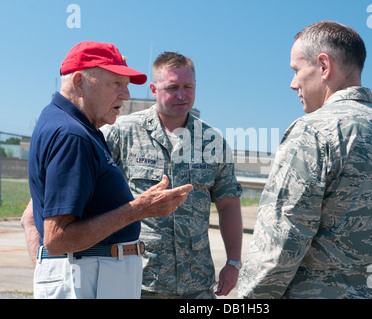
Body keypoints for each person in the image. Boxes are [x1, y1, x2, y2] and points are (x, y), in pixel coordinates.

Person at [238, 21, 372, 299]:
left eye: (296, 70)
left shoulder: (313, 131)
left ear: (324, 66)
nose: (292, 84)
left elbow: (278, 248)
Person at [21, 41, 193, 299]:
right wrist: (140, 210)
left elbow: (30, 218)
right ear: (79, 81)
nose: (126, 96)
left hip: (88, 276)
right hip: (91, 280)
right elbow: (57, 239)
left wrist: (49, 271)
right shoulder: (72, 135)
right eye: (116, 84)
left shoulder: (74, 127)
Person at [101, 52, 243, 298]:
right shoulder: (122, 133)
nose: (181, 95)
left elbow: (228, 203)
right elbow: (95, 191)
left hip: (196, 284)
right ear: (154, 90)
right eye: (172, 87)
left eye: (188, 87)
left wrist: (233, 263)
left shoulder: (213, 142)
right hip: (138, 279)